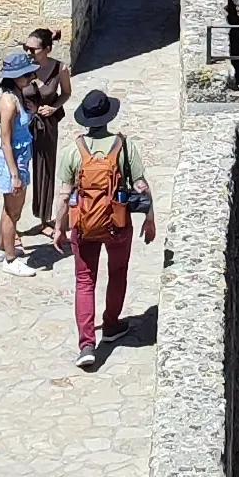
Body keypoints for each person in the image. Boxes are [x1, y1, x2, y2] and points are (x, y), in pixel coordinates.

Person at [51, 85, 155, 368]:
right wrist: (149, 218)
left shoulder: (75, 151)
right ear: (108, 117)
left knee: (85, 281)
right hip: (118, 224)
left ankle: (86, 344)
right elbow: (142, 187)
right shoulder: (124, 147)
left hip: (84, 225)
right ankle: (110, 325)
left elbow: (63, 195)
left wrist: (59, 227)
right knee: (118, 273)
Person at [0, 49, 38, 271]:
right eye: (26, 75)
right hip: (13, 164)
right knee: (13, 212)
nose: (30, 78)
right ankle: (11, 260)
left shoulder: (17, 97)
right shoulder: (9, 103)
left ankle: (1, 250)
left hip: (19, 160)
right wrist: (15, 175)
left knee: (9, 208)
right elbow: (6, 141)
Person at [24, 24, 70, 234]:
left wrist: (54, 107)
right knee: (19, 169)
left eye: (33, 49)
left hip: (47, 125)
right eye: (27, 48)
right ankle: (11, 225)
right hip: (23, 124)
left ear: (47, 49)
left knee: (46, 170)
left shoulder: (60, 68)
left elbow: (66, 93)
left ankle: (44, 218)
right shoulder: (23, 67)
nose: (28, 53)